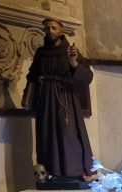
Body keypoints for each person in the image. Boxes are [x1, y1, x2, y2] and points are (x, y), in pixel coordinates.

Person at [22, 18, 94, 181]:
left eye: (53, 28)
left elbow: (87, 76)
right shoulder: (41, 53)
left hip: (64, 98)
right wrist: (28, 98)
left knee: (68, 134)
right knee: (47, 135)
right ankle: (51, 171)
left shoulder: (69, 51)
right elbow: (32, 76)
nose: (50, 31)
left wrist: (74, 63)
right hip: (45, 100)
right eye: (47, 28)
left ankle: (73, 171)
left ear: (61, 31)